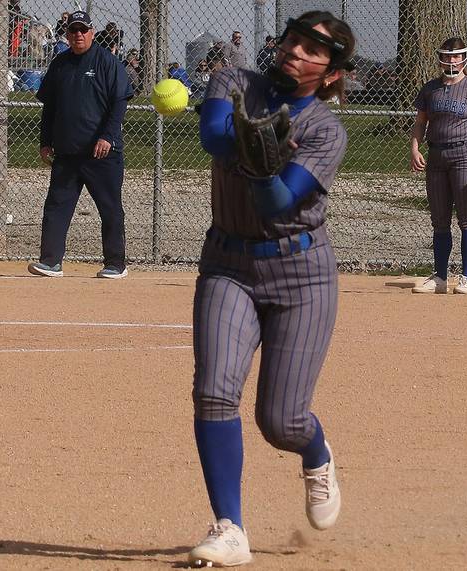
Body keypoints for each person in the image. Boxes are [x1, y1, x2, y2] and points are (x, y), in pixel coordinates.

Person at [187, 11, 354, 568]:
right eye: (295, 40)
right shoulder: (234, 81)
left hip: (301, 275)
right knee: (214, 391)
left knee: (280, 422)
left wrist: (263, 172)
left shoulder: (326, 131)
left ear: (330, 74)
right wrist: (250, 145)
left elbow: (283, 202)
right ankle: (230, 527)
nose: (298, 52)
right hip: (228, 263)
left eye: (315, 51)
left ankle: (315, 452)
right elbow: (214, 135)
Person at [28, 11, 134, 279]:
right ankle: (50, 262)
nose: (77, 34)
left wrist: (107, 137)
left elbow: (119, 103)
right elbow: (49, 107)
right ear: (67, 33)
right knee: (56, 206)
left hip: (102, 154)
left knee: (110, 209)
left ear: (92, 32)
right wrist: (45, 141)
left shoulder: (107, 62)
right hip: (67, 152)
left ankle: (115, 264)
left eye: (82, 30)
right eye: (73, 30)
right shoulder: (60, 64)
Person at [409, 37, 467, 295]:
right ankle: (439, 277)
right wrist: (415, 148)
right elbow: (420, 122)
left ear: (464, 58)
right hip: (436, 157)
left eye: (456, 56)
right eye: (447, 56)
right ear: (440, 58)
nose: (452, 60)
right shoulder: (430, 89)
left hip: (465, 155)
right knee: (439, 220)